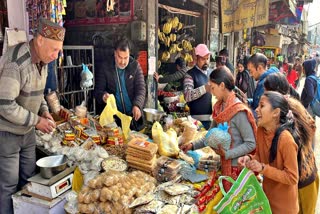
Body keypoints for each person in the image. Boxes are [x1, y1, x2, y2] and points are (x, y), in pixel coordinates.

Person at [0, 17, 65, 214]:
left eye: (59, 50)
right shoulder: (16, 62)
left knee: (29, 182)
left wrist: (44, 111)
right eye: (54, 49)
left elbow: (38, 94)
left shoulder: (43, 61)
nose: (56, 55)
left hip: (27, 134)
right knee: (8, 186)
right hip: (8, 134)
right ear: (39, 41)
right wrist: (37, 121)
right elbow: (4, 104)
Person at [181, 67, 256, 191]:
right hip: (224, 166)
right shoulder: (219, 108)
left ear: (222, 85)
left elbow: (251, 144)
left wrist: (228, 154)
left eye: (213, 87)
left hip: (238, 169)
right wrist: (192, 145)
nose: (211, 92)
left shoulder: (238, 111)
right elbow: (210, 135)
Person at [263, 73, 318, 214]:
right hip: (308, 173)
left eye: (266, 92)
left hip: (301, 181)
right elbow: (312, 128)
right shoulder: (293, 105)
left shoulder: (286, 112)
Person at [238, 91, 299, 214]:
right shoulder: (261, 130)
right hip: (266, 200)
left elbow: (292, 178)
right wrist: (250, 159)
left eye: (262, 106)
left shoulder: (286, 139)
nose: (256, 109)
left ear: (275, 113)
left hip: (284, 208)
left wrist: (263, 168)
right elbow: (260, 157)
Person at [94, 37, 146, 131]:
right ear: (115, 53)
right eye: (119, 57)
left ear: (129, 54)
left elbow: (141, 89)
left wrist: (137, 105)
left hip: (134, 118)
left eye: (125, 58)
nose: (122, 62)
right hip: (114, 121)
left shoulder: (135, 66)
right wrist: (103, 96)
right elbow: (98, 90)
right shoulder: (105, 67)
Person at [183, 44, 212, 129]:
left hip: (212, 120)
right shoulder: (190, 75)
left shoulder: (212, 73)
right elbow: (187, 96)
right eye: (203, 59)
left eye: (207, 59)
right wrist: (205, 88)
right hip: (196, 122)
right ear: (196, 58)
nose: (206, 62)